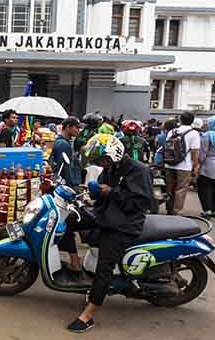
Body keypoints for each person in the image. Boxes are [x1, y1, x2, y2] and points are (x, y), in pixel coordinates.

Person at [68, 134, 152, 333]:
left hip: (124, 224)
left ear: (115, 154)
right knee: (67, 221)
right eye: (98, 161)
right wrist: (93, 191)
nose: (101, 164)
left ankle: (89, 313)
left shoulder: (139, 170)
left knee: (104, 266)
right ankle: (73, 262)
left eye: (102, 160)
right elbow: (101, 195)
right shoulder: (110, 168)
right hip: (104, 216)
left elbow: (141, 204)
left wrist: (110, 192)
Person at [50, 117, 84, 276]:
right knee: (63, 225)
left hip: (69, 188)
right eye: (77, 128)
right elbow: (65, 168)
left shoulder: (66, 142)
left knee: (65, 225)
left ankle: (74, 261)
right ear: (68, 127)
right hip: (66, 190)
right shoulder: (62, 144)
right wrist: (73, 188)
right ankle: (74, 261)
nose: (79, 131)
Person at [163, 112, 201, 215]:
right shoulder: (194, 133)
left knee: (170, 187)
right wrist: (196, 165)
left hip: (169, 163)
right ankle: (177, 212)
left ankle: (169, 209)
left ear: (180, 120)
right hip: (184, 166)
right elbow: (195, 151)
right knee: (181, 189)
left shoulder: (172, 131)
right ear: (192, 121)